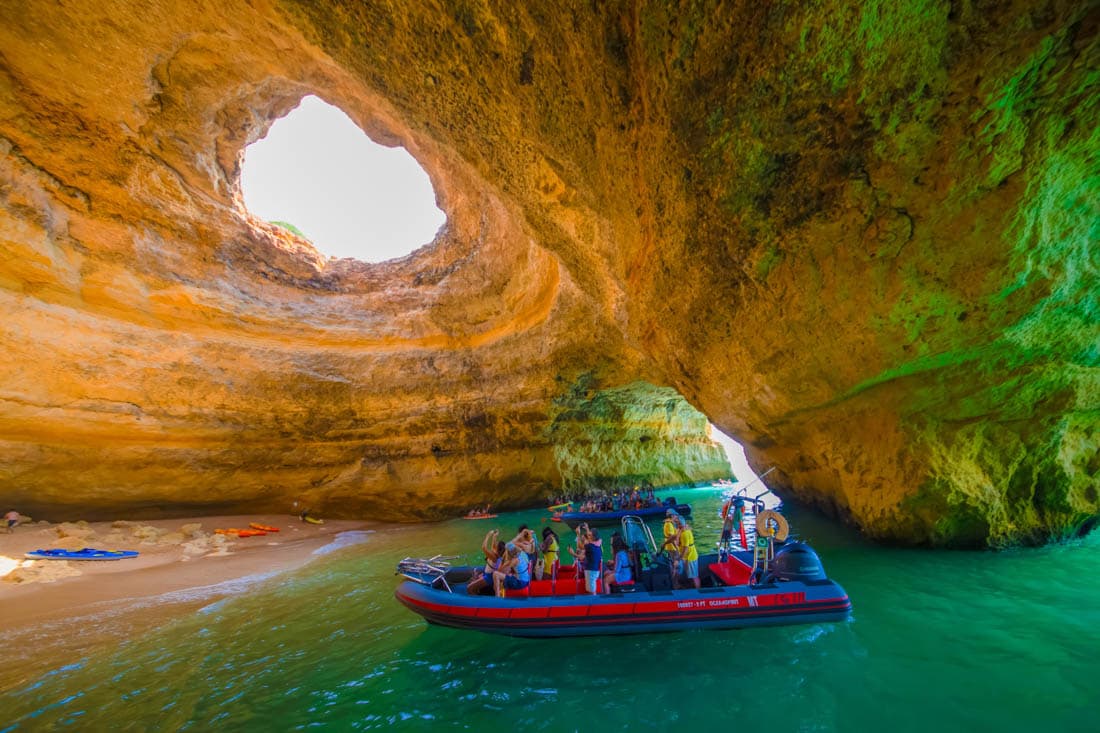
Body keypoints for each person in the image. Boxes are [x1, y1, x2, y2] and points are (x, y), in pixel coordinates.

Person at [466, 530, 505, 595]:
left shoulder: (494, 557)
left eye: (497, 544)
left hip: (488, 578)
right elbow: (493, 546)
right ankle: (478, 593)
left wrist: (488, 535)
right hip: (488, 575)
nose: (495, 543)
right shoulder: (498, 555)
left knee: (469, 588)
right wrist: (494, 536)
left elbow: (484, 547)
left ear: (497, 549)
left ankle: (477, 602)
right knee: (474, 579)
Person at [677, 516, 701, 589]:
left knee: (694, 576)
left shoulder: (685, 534)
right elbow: (678, 543)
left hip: (690, 556)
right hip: (688, 556)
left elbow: (686, 548)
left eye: (677, 523)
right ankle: (693, 588)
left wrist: (680, 558)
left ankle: (698, 591)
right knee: (691, 575)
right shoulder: (683, 531)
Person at [582, 528, 603, 595]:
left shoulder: (589, 546)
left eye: (590, 535)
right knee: (591, 589)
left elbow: (581, 546)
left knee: (592, 591)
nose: (588, 536)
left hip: (591, 570)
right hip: (595, 569)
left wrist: (578, 534)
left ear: (594, 537)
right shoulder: (598, 544)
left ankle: (595, 604)